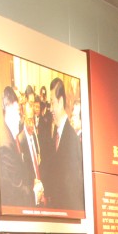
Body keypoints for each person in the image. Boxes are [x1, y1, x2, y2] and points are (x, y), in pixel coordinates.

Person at [45, 77, 84, 210]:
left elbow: (73, 187)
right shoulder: (54, 136)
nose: (50, 109)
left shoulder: (71, 139)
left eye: (52, 103)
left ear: (61, 101)